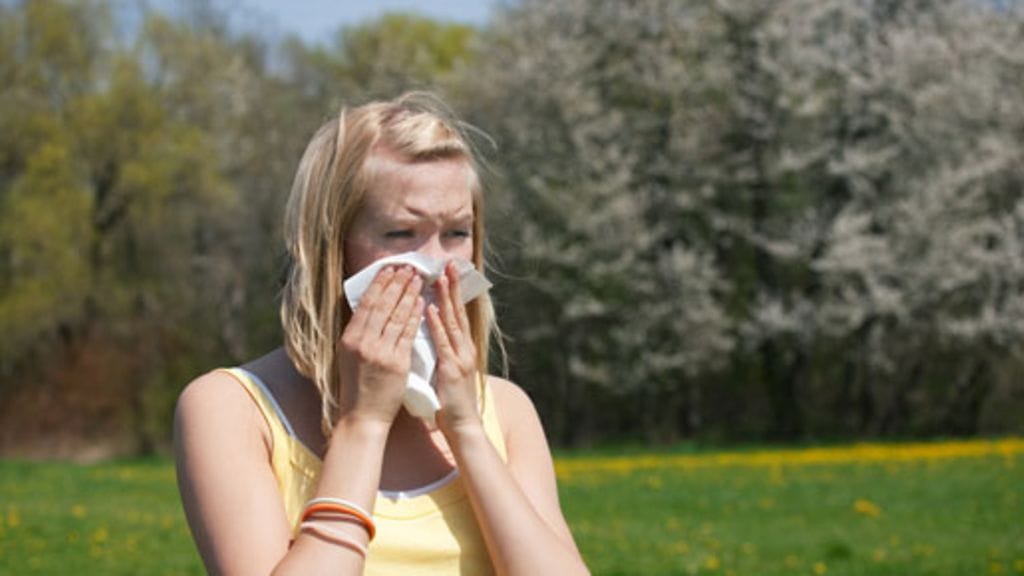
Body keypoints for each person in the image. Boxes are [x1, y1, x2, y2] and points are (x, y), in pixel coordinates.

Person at [173, 93, 590, 575]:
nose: (435, 266)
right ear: (331, 248)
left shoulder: (506, 409)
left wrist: (467, 430)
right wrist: (363, 423)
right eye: (400, 235)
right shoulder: (231, 409)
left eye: (456, 233)